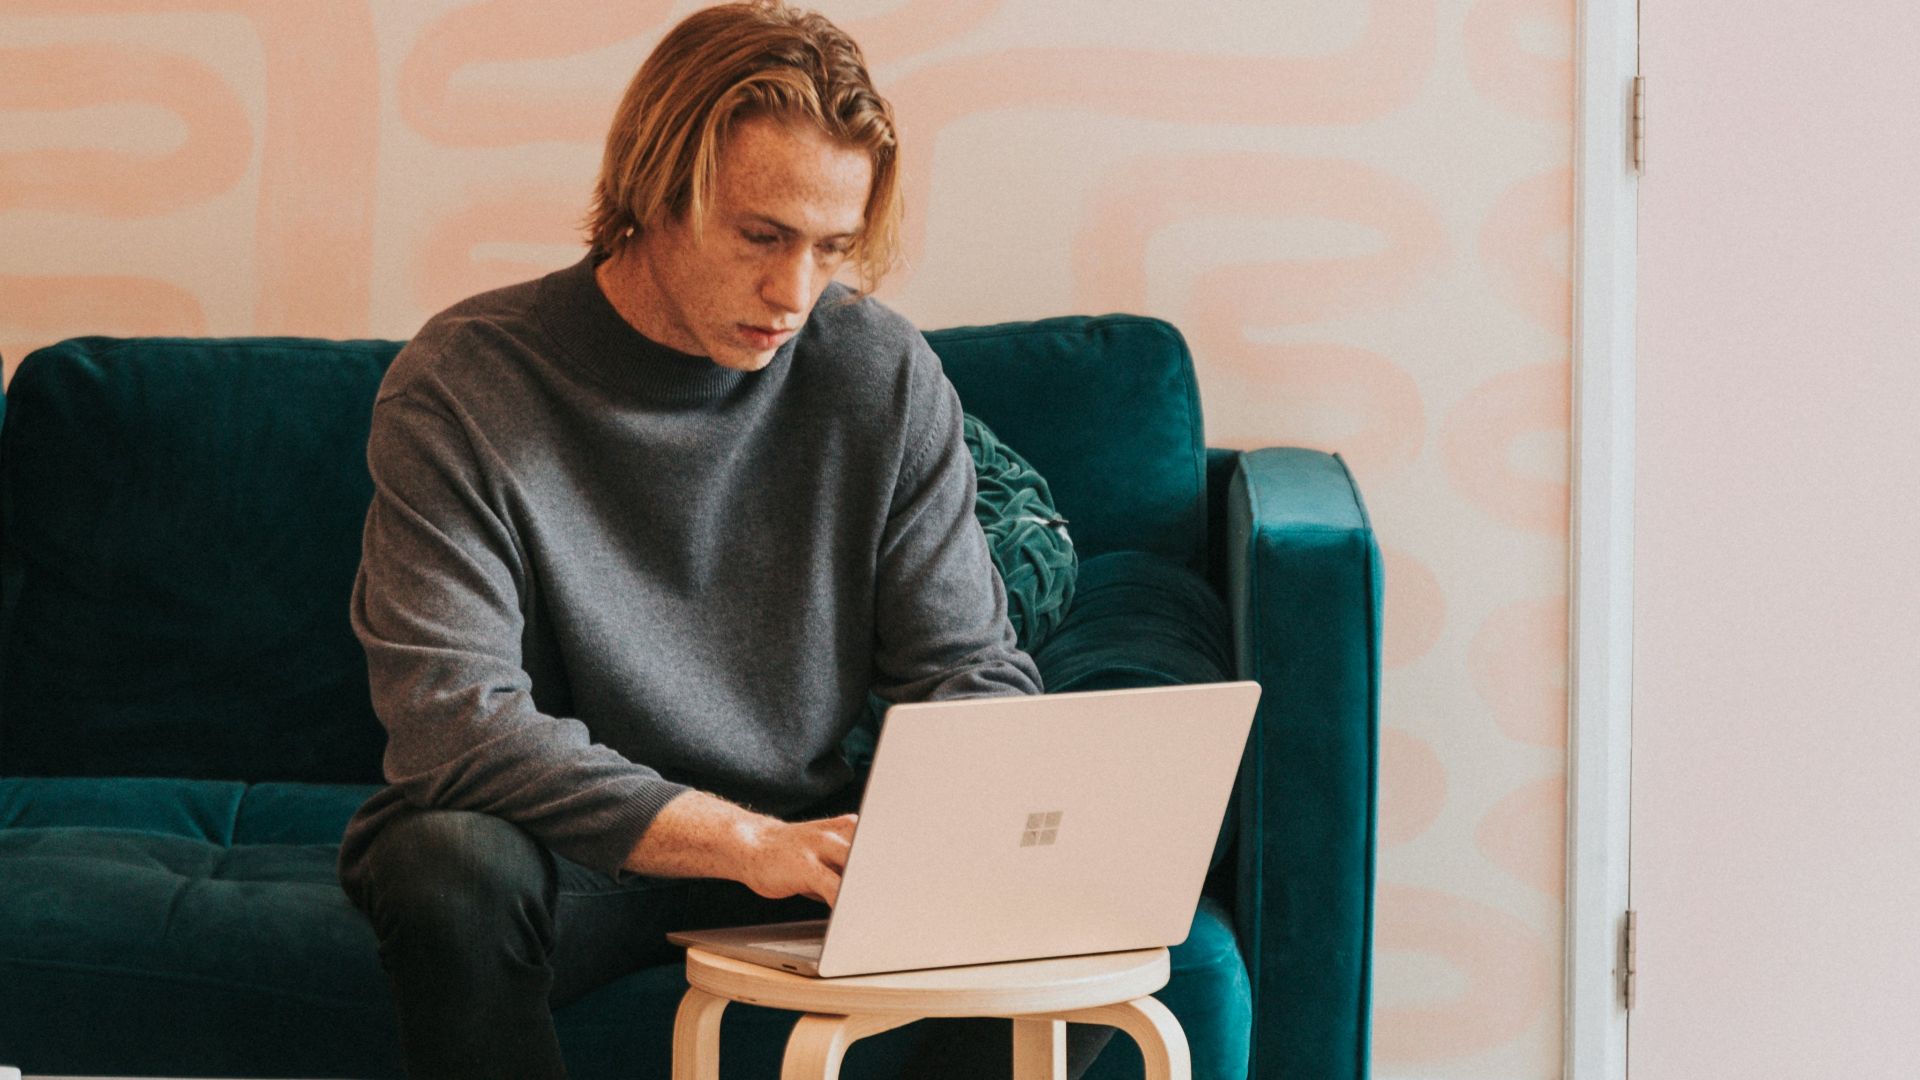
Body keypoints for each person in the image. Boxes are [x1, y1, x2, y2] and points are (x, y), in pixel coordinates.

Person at [336, 3, 1114, 1077]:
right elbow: (452, 726)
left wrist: (954, 832)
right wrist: (746, 844)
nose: (794, 293)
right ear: (654, 194)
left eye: (831, 249)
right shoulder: (468, 384)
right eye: (761, 236)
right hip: (580, 852)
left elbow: (967, 670)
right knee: (443, 858)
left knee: (1041, 938)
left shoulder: (880, 375)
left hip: (813, 838)